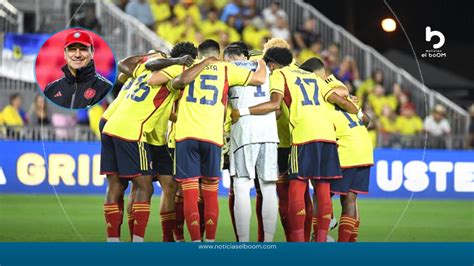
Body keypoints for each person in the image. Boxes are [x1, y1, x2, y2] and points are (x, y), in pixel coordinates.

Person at [232, 48, 358, 242]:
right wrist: (357, 110)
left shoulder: (279, 75)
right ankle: (320, 241)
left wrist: (242, 111)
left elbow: (275, 105)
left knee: (297, 188)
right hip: (327, 137)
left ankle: (298, 243)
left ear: (272, 65)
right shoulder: (313, 77)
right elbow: (341, 100)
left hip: (303, 135)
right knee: (322, 188)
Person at [171, 39, 267, 242]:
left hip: (186, 135)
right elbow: (259, 79)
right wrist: (262, 61)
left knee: (189, 191)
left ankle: (195, 242)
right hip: (212, 137)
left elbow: (176, 83)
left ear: (199, 53)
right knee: (210, 193)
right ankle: (210, 242)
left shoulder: (187, 66)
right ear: (218, 53)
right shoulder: (226, 68)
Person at [100, 46, 198, 242]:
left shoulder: (143, 70)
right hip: (136, 132)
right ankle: (138, 241)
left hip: (111, 125)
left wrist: (148, 58)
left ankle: (114, 242)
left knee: (117, 185)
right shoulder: (175, 70)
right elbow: (160, 82)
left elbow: (124, 68)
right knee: (144, 187)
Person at [299, 57, 373, 242]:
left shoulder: (321, 101)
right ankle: (348, 243)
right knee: (350, 199)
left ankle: (320, 233)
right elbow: (367, 119)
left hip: (346, 150)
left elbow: (340, 92)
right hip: (364, 147)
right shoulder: (342, 94)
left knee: (321, 193)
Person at [224, 43, 278, 242]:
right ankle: (268, 242)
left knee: (241, 186)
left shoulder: (229, 70)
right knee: (269, 188)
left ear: (233, 57)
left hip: (244, 132)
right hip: (269, 132)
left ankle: (244, 241)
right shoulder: (268, 69)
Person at [43, 29, 112, 109]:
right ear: (65, 54)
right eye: (72, 49)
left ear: (92, 53)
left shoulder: (105, 88)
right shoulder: (51, 89)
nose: (77, 54)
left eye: (83, 49)